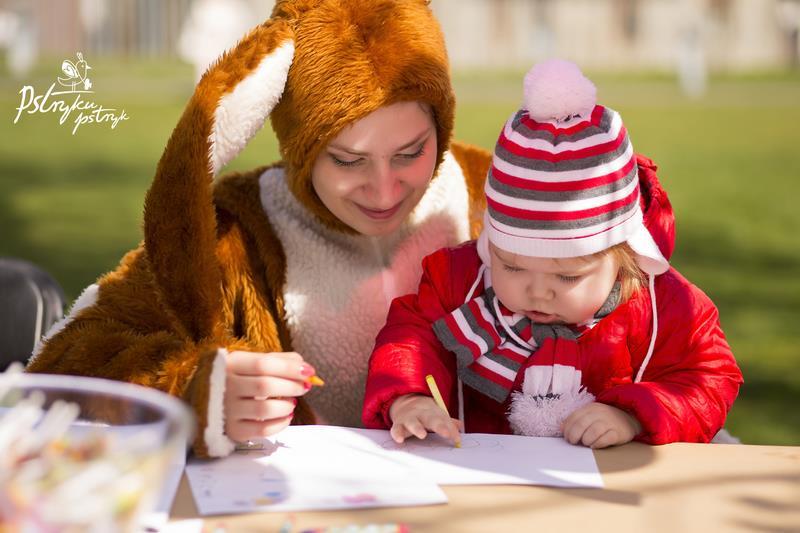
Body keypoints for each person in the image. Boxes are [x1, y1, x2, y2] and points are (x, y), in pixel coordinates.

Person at [25, 0, 491, 458]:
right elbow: (57, 374)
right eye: (347, 161)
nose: (385, 191)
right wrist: (193, 391)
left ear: (441, 125)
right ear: (299, 145)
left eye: (411, 153)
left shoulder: (494, 196)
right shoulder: (233, 230)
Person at [362, 59, 743, 449]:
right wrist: (409, 397)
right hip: (485, 482)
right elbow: (412, 336)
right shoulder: (459, 281)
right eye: (511, 266)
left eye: (567, 277)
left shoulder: (666, 307)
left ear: (623, 254)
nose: (538, 292)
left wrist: (633, 414)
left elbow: (708, 378)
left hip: (611, 490)